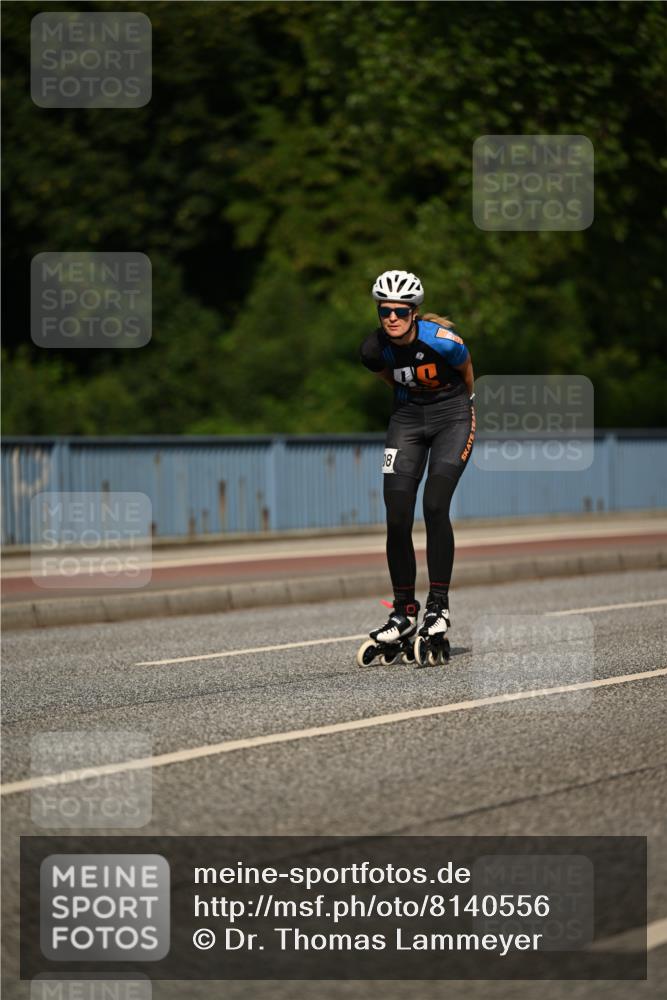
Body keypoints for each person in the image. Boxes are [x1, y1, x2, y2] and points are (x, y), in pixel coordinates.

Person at [359, 268, 475, 654]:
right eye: (385, 310)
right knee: (396, 514)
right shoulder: (373, 350)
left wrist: (459, 406)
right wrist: (416, 399)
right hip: (407, 419)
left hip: (452, 416)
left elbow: (466, 373)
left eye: (401, 311)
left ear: (414, 313)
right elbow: (391, 380)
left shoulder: (444, 342)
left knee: (435, 505)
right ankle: (404, 611)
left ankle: (438, 607)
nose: (392, 317)